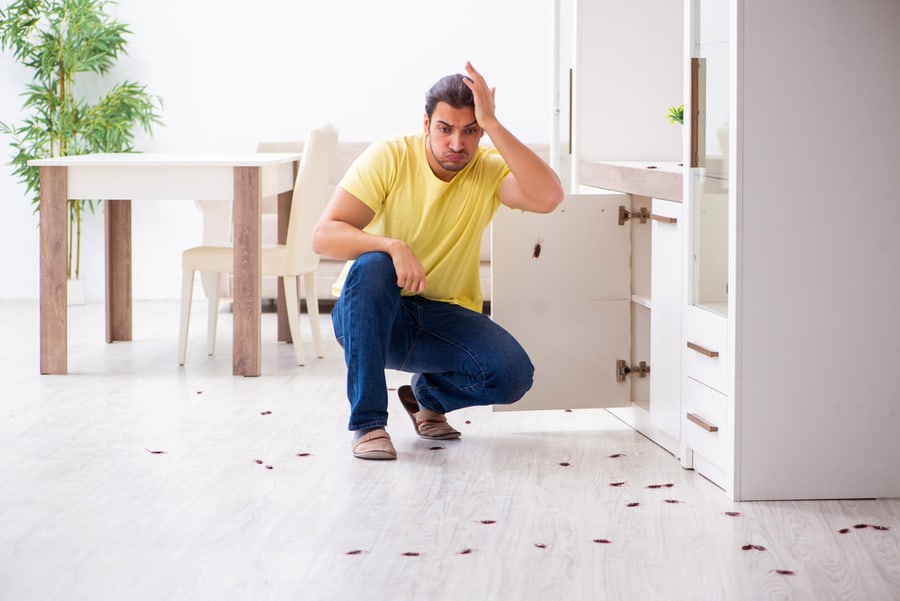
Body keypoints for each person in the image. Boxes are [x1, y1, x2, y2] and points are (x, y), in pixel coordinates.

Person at [312, 62, 564, 460]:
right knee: (374, 263)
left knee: (513, 374)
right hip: (372, 314)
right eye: (445, 129)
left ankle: (426, 396)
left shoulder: (487, 168)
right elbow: (323, 236)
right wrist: (394, 246)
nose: (457, 144)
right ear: (426, 124)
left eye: (470, 131)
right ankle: (369, 424)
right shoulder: (390, 155)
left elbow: (549, 198)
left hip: (441, 317)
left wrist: (494, 124)